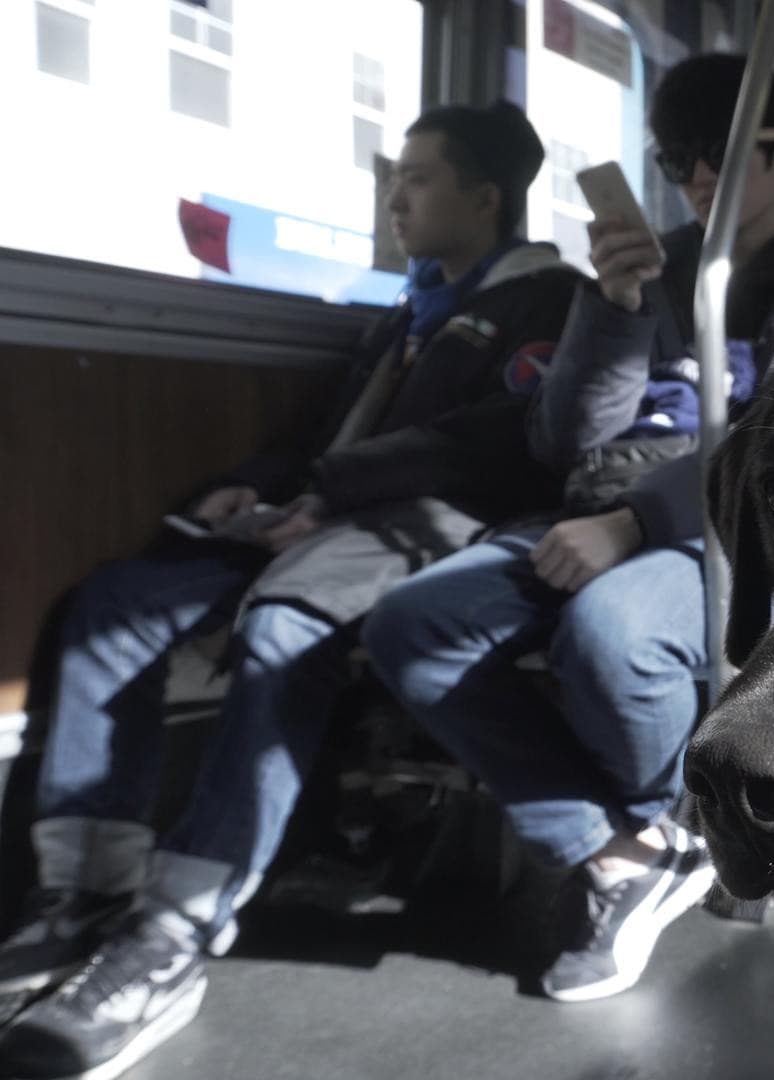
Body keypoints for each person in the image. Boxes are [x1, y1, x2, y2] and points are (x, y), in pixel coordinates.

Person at [0, 101, 582, 1078]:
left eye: (420, 177)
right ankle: (87, 891)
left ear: (486, 197)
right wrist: (261, 488)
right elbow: (322, 436)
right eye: (395, 174)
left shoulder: (544, 301)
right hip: (323, 512)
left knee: (284, 627)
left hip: (429, 522)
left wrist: (328, 495)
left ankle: (172, 935)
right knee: (111, 606)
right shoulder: (409, 312)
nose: (396, 194)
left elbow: (502, 442)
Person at [360, 54, 774, 1004]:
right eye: (679, 160)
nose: (698, 179)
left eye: (719, 154)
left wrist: (638, 523)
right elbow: (564, 438)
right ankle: (623, 847)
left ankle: (665, 819)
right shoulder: (657, 274)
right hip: (592, 504)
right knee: (410, 624)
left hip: (725, 526)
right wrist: (618, 310)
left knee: (615, 636)